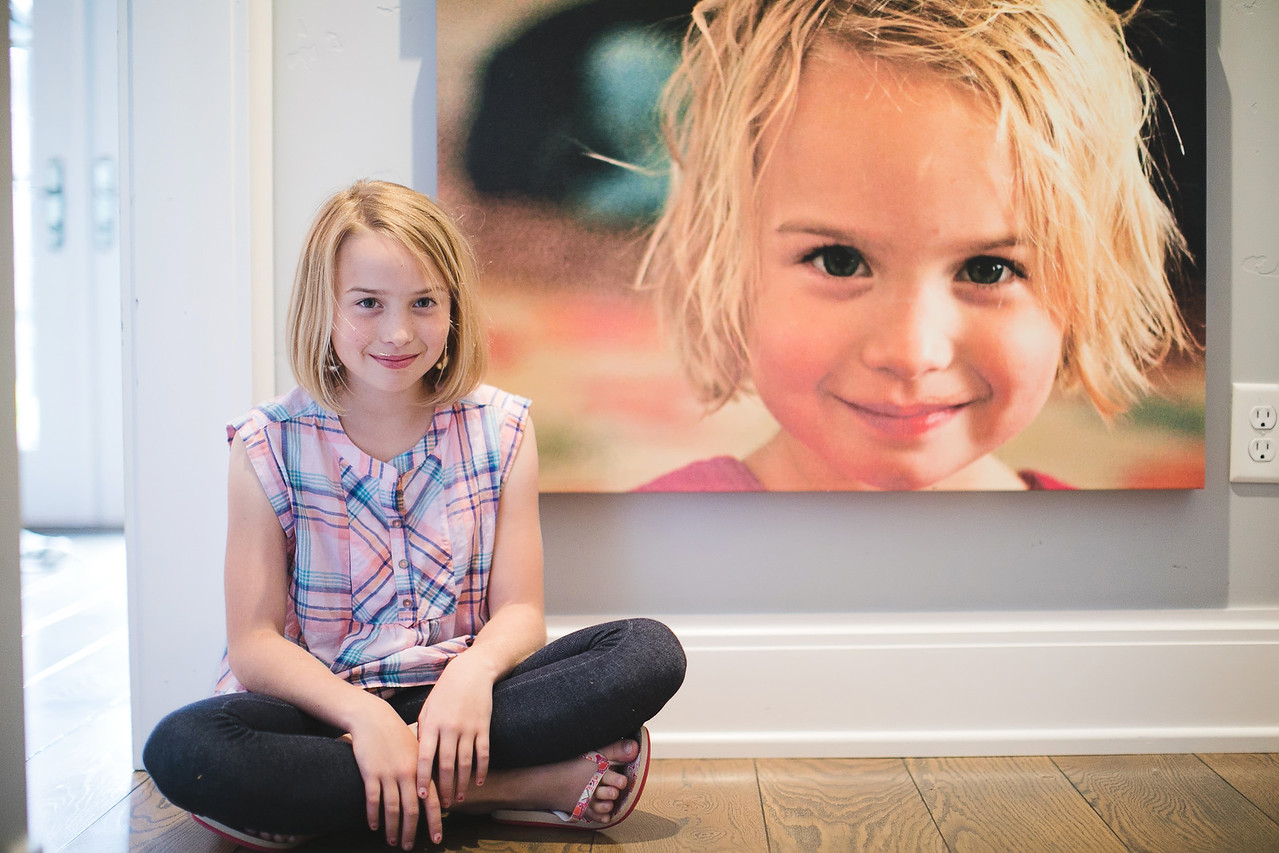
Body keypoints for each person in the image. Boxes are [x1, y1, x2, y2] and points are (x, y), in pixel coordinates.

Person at [143, 180, 687, 851]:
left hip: (466, 700)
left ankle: (336, 798)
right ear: (326, 308)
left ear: (452, 308)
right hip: (321, 710)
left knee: (644, 651)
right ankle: (513, 786)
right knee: (185, 747)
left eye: (423, 302)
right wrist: (363, 716)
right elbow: (254, 642)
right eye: (368, 303)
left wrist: (469, 675)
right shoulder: (266, 442)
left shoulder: (502, 428)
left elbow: (521, 612)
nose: (398, 332)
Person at [635, 0, 1194, 492]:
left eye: (988, 269)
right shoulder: (642, 555)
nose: (911, 353)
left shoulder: (1113, 571)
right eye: (840, 261)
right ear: (723, 256)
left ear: (1090, 277)